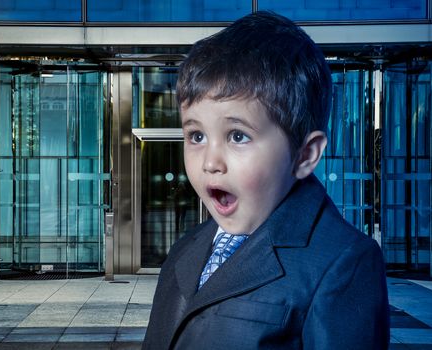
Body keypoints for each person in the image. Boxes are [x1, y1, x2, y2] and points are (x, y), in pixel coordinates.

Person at [142, 11, 390, 350]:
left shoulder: (344, 263)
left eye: (238, 136)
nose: (210, 163)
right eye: (196, 135)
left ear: (305, 155)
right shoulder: (188, 245)